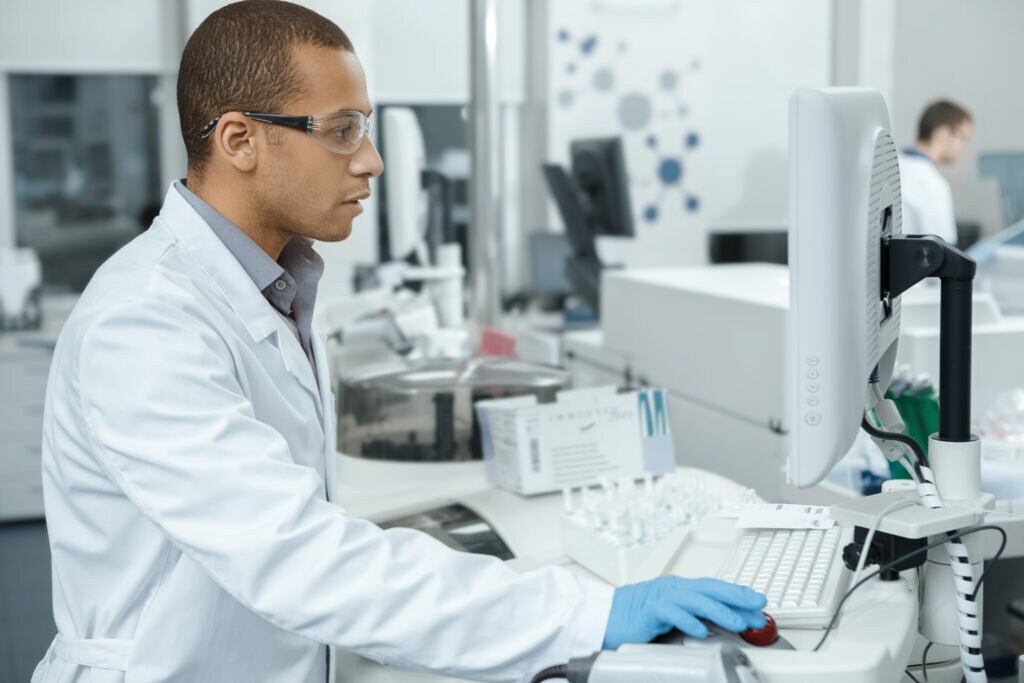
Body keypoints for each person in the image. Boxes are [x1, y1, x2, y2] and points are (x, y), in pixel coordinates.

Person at [31, 3, 766, 682]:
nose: (372, 161)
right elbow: (297, 557)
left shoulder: (273, 284)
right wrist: (585, 612)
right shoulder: (144, 323)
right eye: (343, 129)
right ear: (238, 139)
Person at [899, 100, 973, 246]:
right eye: (964, 138)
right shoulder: (932, 183)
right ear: (944, 133)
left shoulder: (894, 165)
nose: (964, 147)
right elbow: (945, 252)